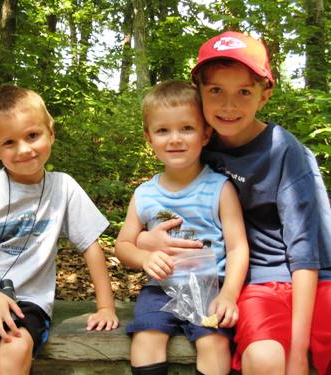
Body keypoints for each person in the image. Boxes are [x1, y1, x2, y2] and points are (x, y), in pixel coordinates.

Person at [139, 31, 331, 375]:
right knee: (265, 359)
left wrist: (299, 353)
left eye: (244, 91)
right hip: (255, 283)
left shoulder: (285, 151)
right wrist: (143, 241)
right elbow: (167, 207)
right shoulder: (198, 144)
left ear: (264, 96)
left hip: (312, 279)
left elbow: (306, 252)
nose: (229, 106)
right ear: (199, 93)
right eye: (216, 91)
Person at [0, 84, 119, 375]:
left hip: (27, 297)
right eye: (9, 142)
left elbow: (91, 247)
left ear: (51, 132)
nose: (24, 149)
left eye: (33, 135)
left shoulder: (64, 187)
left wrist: (106, 307)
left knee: (15, 350)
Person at [115, 80, 249, 375]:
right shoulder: (144, 194)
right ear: (148, 138)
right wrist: (145, 258)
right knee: (145, 338)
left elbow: (238, 246)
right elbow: (123, 246)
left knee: (213, 344)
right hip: (160, 289)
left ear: (205, 134)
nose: (174, 139)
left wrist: (229, 294)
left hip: (210, 288)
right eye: (163, 130)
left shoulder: (220, 188)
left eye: (186, 128)